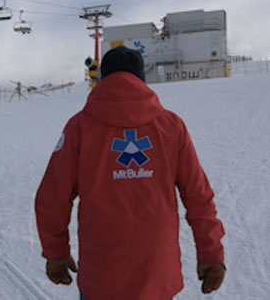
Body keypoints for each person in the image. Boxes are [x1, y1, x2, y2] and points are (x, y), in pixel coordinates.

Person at [35, 46, 226, 299]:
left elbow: (52, 197)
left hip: (101, 276)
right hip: (157, 273)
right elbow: (198, 195)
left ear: (102, 79)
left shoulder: (79, 127)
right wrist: (211, 254)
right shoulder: (171, 126)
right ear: (141, 80)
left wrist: (56, 254)